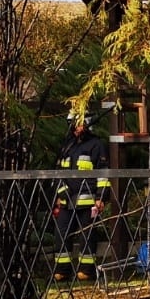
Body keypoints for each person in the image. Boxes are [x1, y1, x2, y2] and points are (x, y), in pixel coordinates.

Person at [52, 110, 111, 281]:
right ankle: (62, 271)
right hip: (66, 200)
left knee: (87, 235)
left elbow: (103, 174)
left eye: (78, 123)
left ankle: (87, 270)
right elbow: (59, 172)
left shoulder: (96, 145)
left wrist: (101, 198)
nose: (76, 128)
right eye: (73, 124)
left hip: (88, 201)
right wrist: (58, 194)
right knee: (61, 234)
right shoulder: (67, 146)